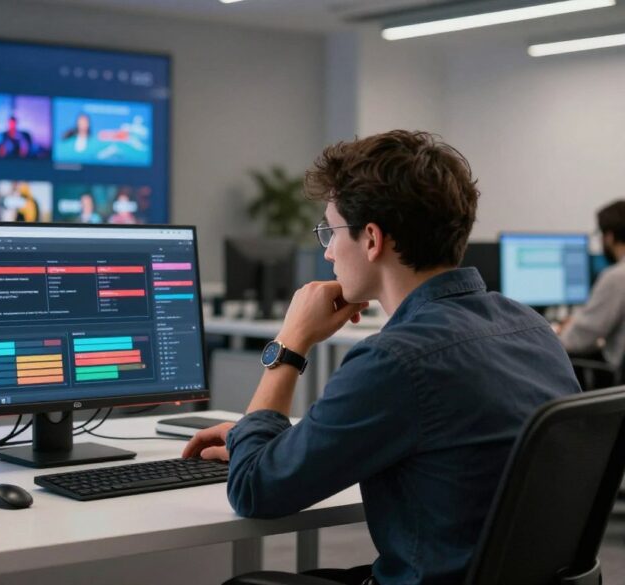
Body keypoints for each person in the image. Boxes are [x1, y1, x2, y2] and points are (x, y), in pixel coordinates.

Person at [183, 130, 580, 585]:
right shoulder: (529, 326)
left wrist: (291, 343)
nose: (328, 251)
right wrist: (262, 439)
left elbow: (254, 490)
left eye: (329, 232)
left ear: (371, 239)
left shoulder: (396, 360)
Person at [558, 200, 625, 383]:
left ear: (609, 237)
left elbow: (578, 339)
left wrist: (558, 333)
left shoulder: (616, 276)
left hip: (616, 382)